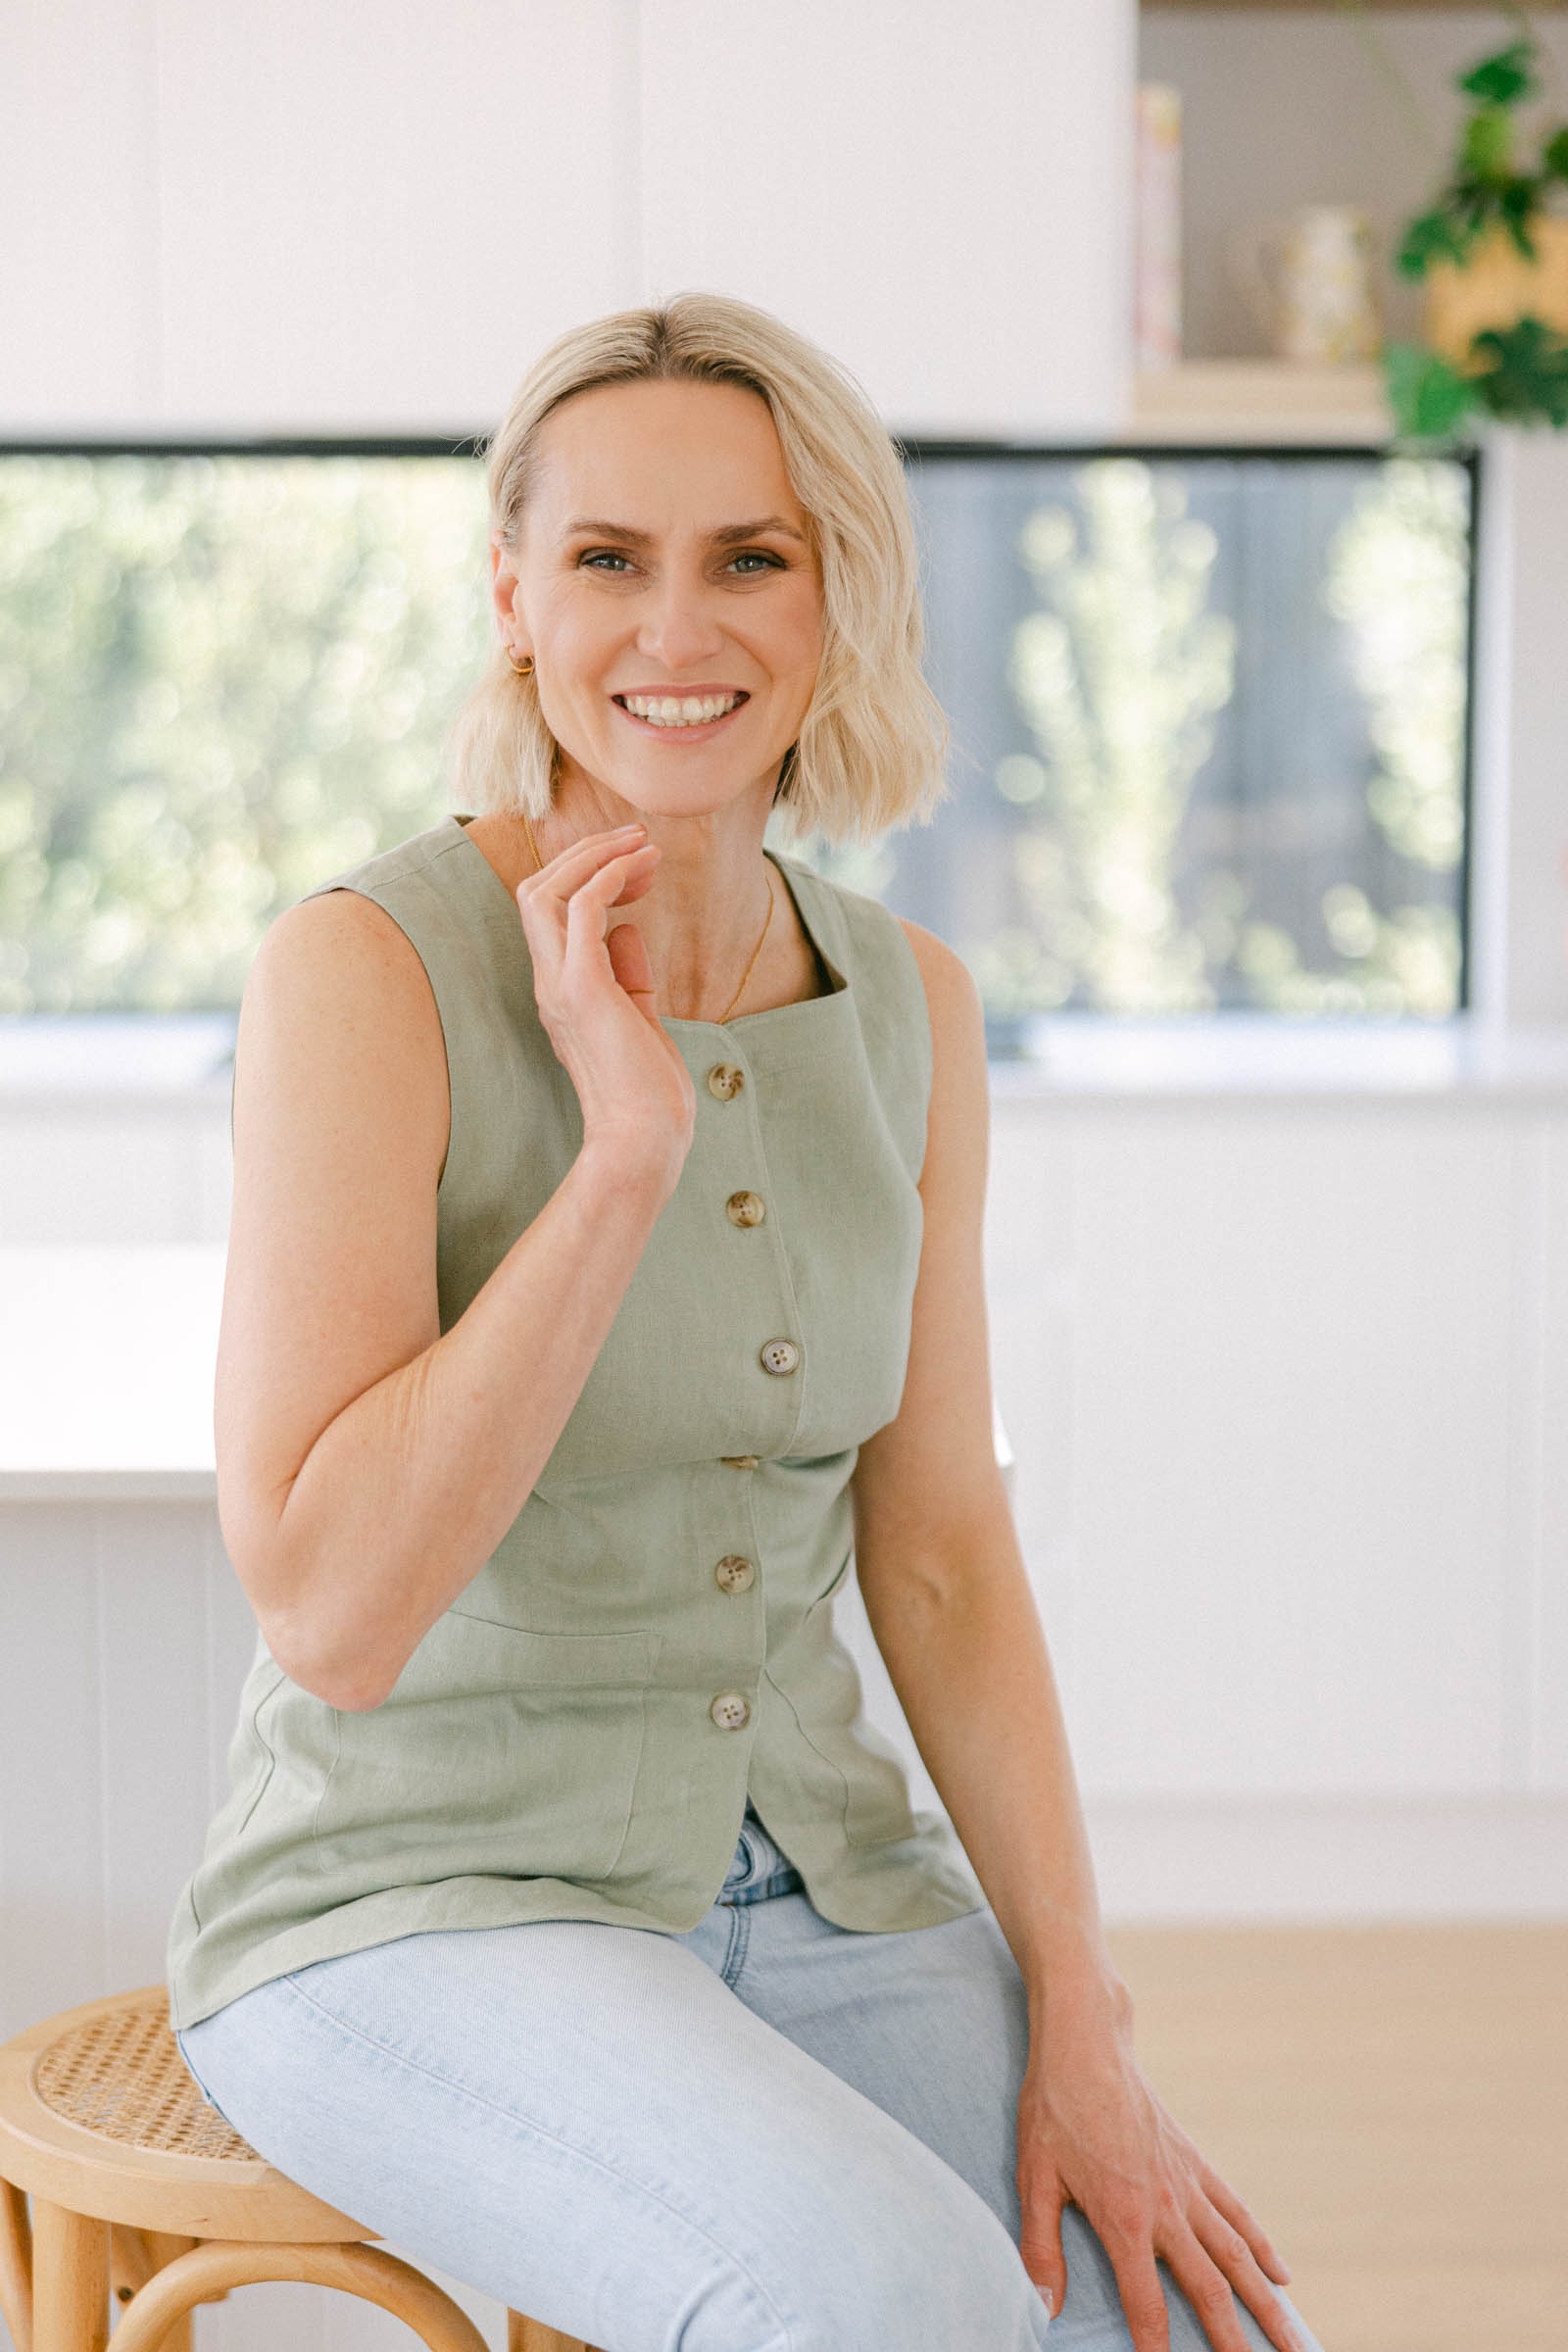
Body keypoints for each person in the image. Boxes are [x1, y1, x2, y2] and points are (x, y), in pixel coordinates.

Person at [168, 292, 1325, 2352]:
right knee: (887, 2306)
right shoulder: (360, 972)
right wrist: (620, 1152)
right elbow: (332, 1615)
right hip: (413, 1910)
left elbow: (944, 1555)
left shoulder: (907, 1008)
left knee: (1199, 2331)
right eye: (607, 559)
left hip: (822, 1886)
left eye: (749, 559)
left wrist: (1080, 2011)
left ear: (832, 604)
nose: (673, 630)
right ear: (512, 596)